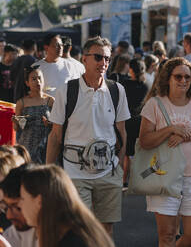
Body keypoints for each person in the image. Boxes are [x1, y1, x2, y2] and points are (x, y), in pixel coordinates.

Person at [45, 37, 130, 235]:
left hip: (108, 170)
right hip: (75, 172)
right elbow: (56, 136)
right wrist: (49, 174)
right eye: (98, 57)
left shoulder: (117, 90)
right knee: (79, 228)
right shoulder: (67, 91)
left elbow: (122, 132)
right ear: (84, 59)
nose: (104, 63)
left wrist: (119, 166)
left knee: (105, 229)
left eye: (107, 59)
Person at [139, 57, 191, 247]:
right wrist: (171, 129)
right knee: (167, 235)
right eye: (178, 76)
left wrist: (187, 135)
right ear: (168, 78)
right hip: (164, 176)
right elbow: (145, 141)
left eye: (188, 77)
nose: (183, 81)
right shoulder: (154, 104)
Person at [19, 164, 114, 247]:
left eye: (22, 198)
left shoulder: (73, 242)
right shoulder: (74, 231)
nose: (20, 204)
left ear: (39, 201)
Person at [14, 66, 54, 164]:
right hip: (27, 146)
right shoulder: (21, 103)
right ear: (27, 83)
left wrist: (49, 124)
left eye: (40, 78)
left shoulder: (51, 101)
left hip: (46, 146)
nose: (38, 81)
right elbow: (16, 128)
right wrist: (18, 122)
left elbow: (58, 125)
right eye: (33, 79)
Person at [121, 58, 149, 185]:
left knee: (127, 153)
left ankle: (124, 179)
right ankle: (141, 178)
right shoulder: (146, 86)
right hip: (141, 121)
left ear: (131, 70)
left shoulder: (125, 84)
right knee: (140, 152)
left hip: (127, 121)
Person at [1, 164, 38, 247]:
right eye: (6, 207)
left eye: (17, 207)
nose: (9, 215)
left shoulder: (62, 235)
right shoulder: (12, 233)